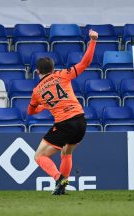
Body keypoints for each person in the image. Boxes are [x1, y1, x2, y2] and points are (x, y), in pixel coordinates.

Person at [27, 30, 98, 195]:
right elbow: (85, 63)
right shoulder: (63, 75)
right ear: (53, 68)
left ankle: (59, 178)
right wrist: (93, 41)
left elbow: (31, 111)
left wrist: (42, 107)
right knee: (66, 152)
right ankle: (61, 188)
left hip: (64, 123)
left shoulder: (37, 91)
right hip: (80, 121)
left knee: (39, 157)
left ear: (38, 72)